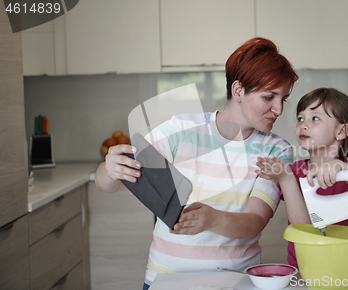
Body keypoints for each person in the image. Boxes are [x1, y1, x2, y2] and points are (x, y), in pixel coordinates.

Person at [94, 37, 299, 289]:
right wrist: (109, 170)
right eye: (269, 97)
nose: (278, 109)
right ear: (238, 91)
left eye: (283, 99)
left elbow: (255, 222)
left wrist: (212, 219)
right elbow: (108, 184)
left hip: (236, 281)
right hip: (166, 279)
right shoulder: (180, 129)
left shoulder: (276, 150)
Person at [255, 87, 348, 268]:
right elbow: (302, 225)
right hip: (306, 266)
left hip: (346, 265)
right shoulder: (294, 171)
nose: (303, 125)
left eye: (315, 118)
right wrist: (285, 178)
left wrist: (341, 167)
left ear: (341, 131)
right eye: (300, 118)